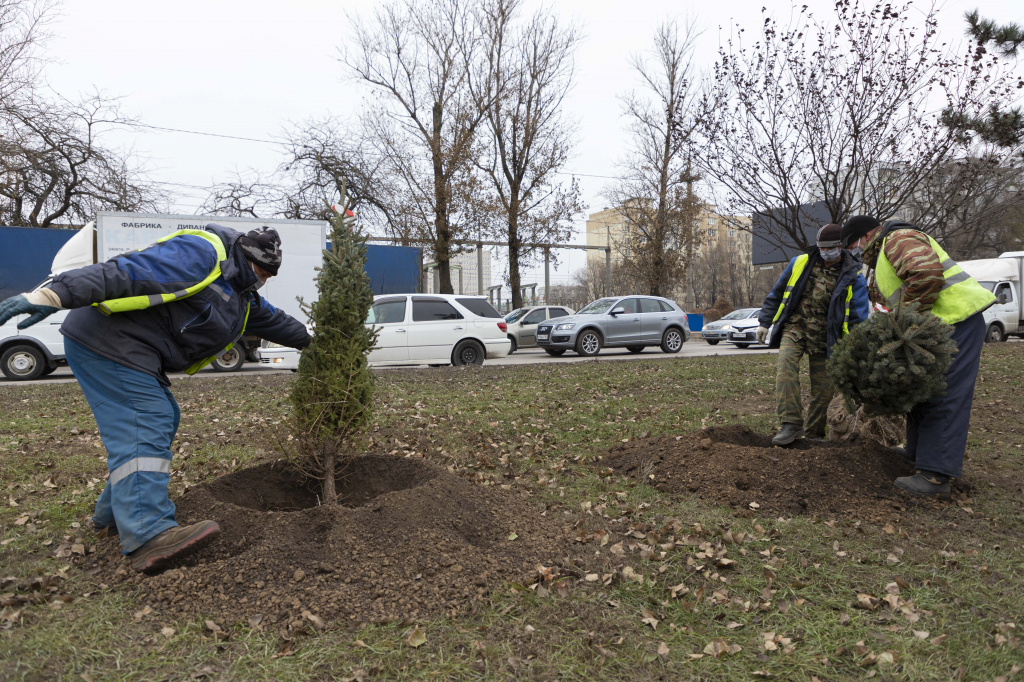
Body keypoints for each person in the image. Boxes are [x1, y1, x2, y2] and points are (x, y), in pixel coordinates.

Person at [0, 224, 311, 571]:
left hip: (135, 351)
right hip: (108, 342)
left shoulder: (239, 294)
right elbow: (126, 273)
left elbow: (272, 320)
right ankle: (147, 533)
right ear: (245, 256)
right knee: (147, 417)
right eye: (261, 271)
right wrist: (52, 294)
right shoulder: (201, 255)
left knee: (164, 415)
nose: (263, 280)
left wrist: (313, 343)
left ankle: (112, 517)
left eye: (269, 276)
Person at [839, 215, 995, 497]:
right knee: (922, 392)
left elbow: (927, 275)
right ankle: (917, 453)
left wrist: (905, 325)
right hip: (936, 327)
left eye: (852, 247)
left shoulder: (897, 239)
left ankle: (936, 476)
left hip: (955, 321)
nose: (855, 254)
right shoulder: (882, 261)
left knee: (943, 394)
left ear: (865, 237)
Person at [755, 224, 870, 446]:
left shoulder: (853, 274)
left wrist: (855, 347)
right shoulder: (800, 263)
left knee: (824, 391)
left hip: (828, 337)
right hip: (795, 328)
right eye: (821, 248)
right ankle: (791, 424)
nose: (825, 252)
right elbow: (777, 293)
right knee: (785, 370)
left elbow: (858, 316)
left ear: (841, 246)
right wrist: (764, 322)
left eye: (830, 248)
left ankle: (814, 435)